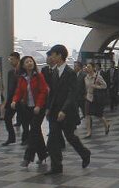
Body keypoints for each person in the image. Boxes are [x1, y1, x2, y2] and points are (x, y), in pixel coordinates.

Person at [45, 45, 91, 175]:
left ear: (59, 55)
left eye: (53, 54)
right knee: (52, 140)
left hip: (67, 112)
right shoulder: (54, 72)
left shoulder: (70, 73)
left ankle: (85, 153)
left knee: (70, 137)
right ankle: (56, 166)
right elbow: (52, 93)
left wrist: (64, 110)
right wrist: (48, 108)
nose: (51, 57)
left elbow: (72, 94)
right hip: (55, 112)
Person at [11, 56, 49, 167]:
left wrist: (38, 105)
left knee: (33, 131)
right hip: (28, 107)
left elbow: (43, 92)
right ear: (23, 65)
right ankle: (43, 154)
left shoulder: (39, 76)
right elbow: (18, 91)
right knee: (36, 131)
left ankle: (27, 158)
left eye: (31, 61)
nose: (29, 63)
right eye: (27, 62)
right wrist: (14, 101)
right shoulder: (22, 78)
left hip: (39, 108)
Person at [83, 63, 110, 138]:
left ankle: (106, 124)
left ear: (93, 68)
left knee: (98, 114)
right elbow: (86, 87)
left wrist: (96, 86)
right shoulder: (86, 77)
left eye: (89, 67)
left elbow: (105, 86)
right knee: (87, 114)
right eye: (87, 67)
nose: (87, 68)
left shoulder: (98, 77)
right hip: (88, 98)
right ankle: (89, 132)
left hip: (96, 98)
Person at [2, 52, 22, 146]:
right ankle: (11, 137)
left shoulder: (22, 72)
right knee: (7, 118)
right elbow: (10, 88)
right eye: (9, 59)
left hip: (21, 100)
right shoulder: (10, 72)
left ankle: (26, 138)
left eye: (12, 59)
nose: (10, 61)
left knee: (25, 120)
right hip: (11, 100)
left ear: (18, 59)